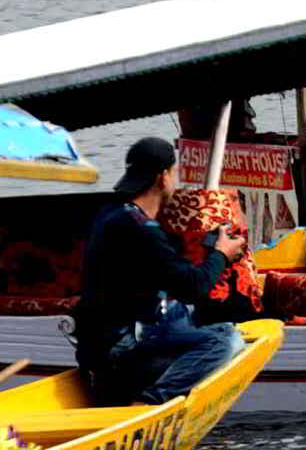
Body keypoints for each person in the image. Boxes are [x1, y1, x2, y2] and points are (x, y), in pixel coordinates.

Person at [73, 137, 247, 405]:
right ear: (163, 177)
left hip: (102, 344)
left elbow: (165, 271)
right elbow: (194, 287)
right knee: (226, 342)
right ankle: (149, 402)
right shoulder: (141, 230)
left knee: (210, 324)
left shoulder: (112, 213)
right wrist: (222, 254)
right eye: (175, 173)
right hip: (119, 355)